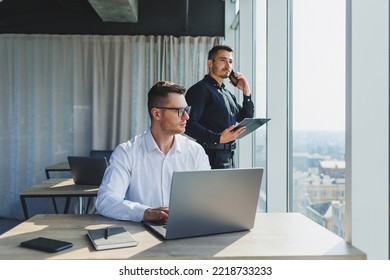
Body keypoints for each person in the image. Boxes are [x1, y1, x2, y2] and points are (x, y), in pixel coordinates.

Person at [96, 81, 211, 223]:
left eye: (186, 110)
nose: (186, 117)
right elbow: (105, 200)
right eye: (179, 111)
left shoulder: (196, 152)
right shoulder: (126, 152)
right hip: (140, 236)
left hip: (186, 232)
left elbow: (208, 199)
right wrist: (145, 212)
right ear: (156, 113)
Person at [185, 45, 254, 169]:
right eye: (223, 60)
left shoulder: (228, 95)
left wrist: (246, 93)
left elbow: (246, 118)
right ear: (210, 63)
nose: (228, 66)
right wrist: (218, 138)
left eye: (230, 62)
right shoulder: (200, 90)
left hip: (228, 155)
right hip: (208, 156)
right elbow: (188, 125)